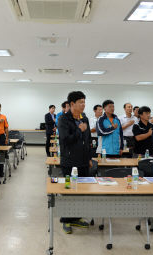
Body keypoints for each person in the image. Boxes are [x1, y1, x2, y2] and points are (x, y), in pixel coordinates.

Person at [58, 91, 91, 234]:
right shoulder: (64, 119)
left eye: (84, 102)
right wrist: (78, 130)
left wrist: (89, 158)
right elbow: (66, 140)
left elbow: (88, 140)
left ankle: (76, 217)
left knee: (81, 191)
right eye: (80, 102)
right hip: (69, 161)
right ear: (72, 104)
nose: (83, 105)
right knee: (69, 191)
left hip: (83, 161)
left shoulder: (85, 119)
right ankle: (66, 220)